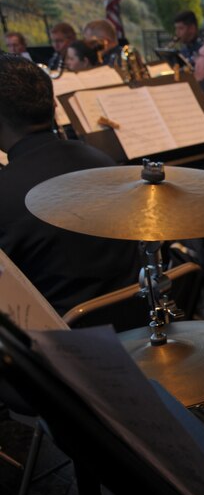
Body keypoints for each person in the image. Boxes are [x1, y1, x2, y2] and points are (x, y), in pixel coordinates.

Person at [0, 53, 138, 315]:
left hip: (64, 343)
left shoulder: (5, 194)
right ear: (54, 106)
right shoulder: (104, 161)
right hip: (136, 324)